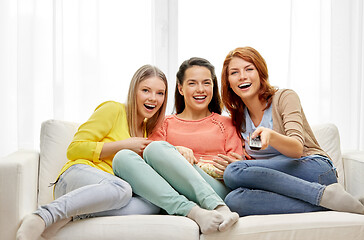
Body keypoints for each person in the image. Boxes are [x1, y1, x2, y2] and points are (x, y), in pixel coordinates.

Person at [16, 65, 167, 240]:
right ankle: (43, 215)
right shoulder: (114, 110)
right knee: (122, 189)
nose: (153, 98)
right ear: (134, 91)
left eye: (160, 93)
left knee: (153, 204)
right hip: (74, 179)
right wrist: (123, 145)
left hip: (105, 196)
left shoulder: (148, 132)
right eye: (146, 90)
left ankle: (72, 213)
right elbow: (74, 149)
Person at [213, 46, 364, 217]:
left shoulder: (284, 98)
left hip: (315, 170)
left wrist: (271, 137)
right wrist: (242, 161)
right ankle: (332, 202)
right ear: (228, 82)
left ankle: (321, 194)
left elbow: (297, 149)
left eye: (249, 69)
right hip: (282, 182)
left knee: (234, 172)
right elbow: (257, 164)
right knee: (234, 200)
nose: (242, 76)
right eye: (234, 72)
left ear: (260, 73)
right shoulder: (237, 119)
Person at [112, 57, 240, 234]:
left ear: (213, 86)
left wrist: (210, 166)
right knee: (122, 158)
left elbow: (238, 168)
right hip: (173, 195)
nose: (200, 89)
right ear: (180, 88)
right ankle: (195, 213)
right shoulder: (163, 123)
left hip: (215, 188)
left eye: (206, 83)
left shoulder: (226, 124)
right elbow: (147, 166)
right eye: (192, 83)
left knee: (155, 148)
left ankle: (218, 208)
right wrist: (176, 151)